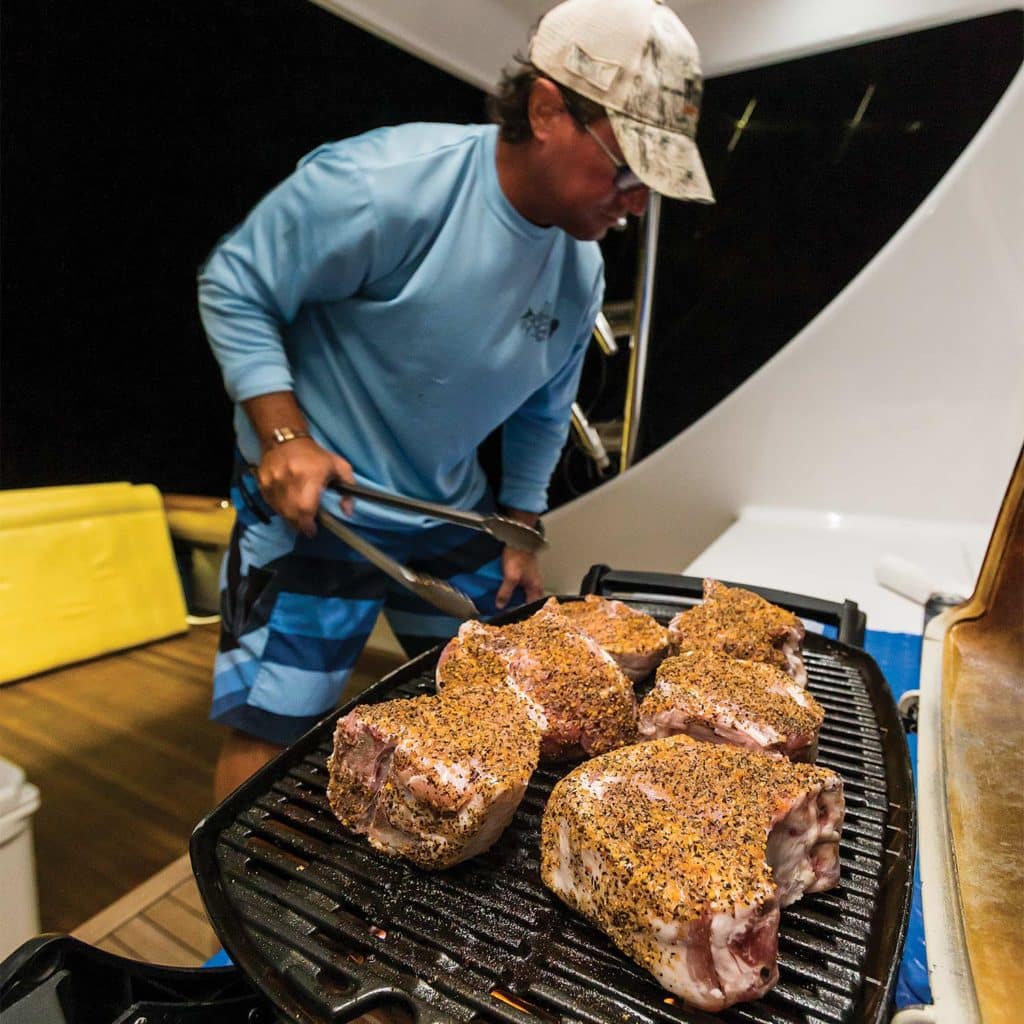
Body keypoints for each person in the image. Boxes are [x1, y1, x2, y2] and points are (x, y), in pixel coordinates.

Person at [198, 0, 714, 801]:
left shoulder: (580, 271)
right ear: (546, 110)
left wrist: (522, 521)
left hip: (445, 511)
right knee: (273, 729)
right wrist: (283, 436)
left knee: (509, 691)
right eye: (627, 168)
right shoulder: (383, 187)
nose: (637, 201)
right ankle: (237, 923)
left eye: (652, 180)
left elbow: (549, 402)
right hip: (321, 503)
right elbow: (235, 286)